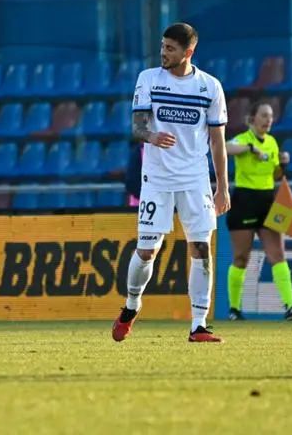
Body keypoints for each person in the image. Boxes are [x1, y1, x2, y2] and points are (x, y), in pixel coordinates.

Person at [113, 22, 230, 343]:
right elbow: (137, 127)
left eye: (170, 48)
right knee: (148, 250)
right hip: (157, 179)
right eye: (163, 46)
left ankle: (198, 324)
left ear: (188, 52)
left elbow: (218, 142)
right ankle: (132, 304)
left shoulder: (210, 87)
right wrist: (152, 135)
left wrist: (223, 186)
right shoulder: (149, 79)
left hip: (195, 180)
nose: (163, 53)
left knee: (201, 248)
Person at [225, 102, 292, 321]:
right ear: (252, 119)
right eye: (264, 116)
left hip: (267, 201)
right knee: (241, 258)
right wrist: (249, 149)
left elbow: (274, 176)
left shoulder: (273, 142)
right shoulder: (244, 140)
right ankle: (234, 309)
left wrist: (282, 165)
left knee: (277, 254)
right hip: (244, 201)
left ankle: (291, 306)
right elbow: (226, 148)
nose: (268, 120)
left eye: (271, 116)